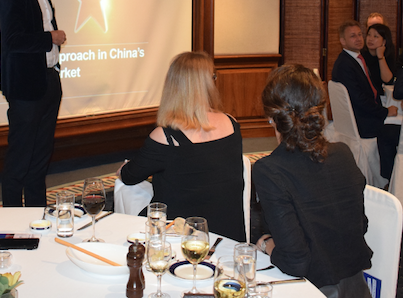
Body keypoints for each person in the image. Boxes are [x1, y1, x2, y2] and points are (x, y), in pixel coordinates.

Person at [254, 64, 372, 298]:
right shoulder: (343, 154)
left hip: (311, 290)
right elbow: (361, 225)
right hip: (357, 288)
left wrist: (266, 244)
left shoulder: (270, 170)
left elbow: (295, 261)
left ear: (272, 118)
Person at [118, 51, 246, 241]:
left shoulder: (165, 137)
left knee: (123, 190)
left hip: (179, 237)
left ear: (172, 86)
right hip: (228, 234)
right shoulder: (231, 123)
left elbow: (129, 176)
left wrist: (122, 169)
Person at [0, 0, 66, 207]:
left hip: (47, 81)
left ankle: (38, 215)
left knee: (40, 159)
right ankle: (11, 219)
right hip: (26, 89)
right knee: (20, 159)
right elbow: (13, 40)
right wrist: (50, 38)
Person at [331, 20, 399, 180]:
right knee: (396, 132)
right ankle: (390, 179)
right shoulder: (345, 65)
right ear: (342, 41)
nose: (359, 39)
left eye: (360, 34)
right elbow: (359, 100)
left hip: (364, 114)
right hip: (363, 121)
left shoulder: (356, 59)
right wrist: (384, 112)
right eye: (352, 36)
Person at [361, 23, 396, 96]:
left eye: (375, 36)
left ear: (384, 41)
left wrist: (380, 57)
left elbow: (388, 80)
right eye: (369, 35)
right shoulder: (361, 55)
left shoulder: (389, 55)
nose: (370, 39)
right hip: (365, 95)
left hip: (382, 96)